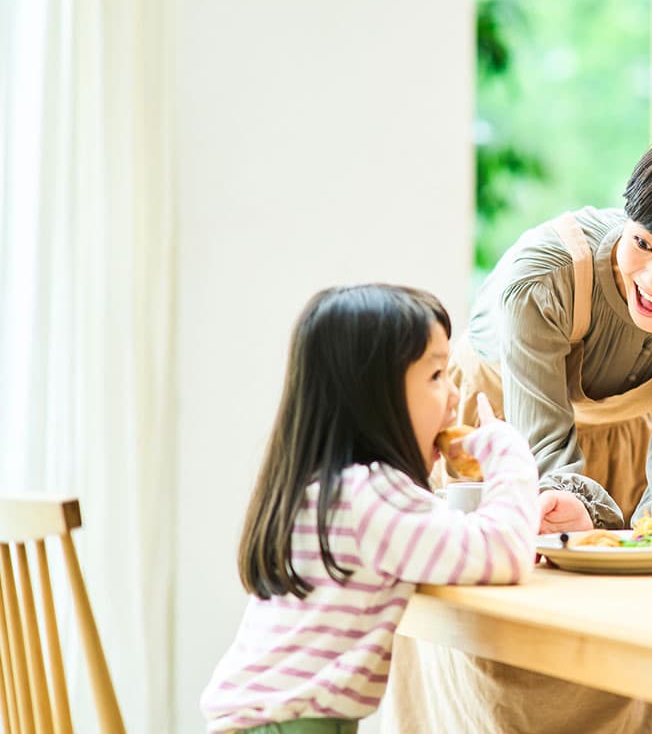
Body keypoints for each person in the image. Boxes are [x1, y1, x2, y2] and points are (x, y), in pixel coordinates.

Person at [386, 126, 652, 733]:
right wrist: (560, 499)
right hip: (494, 444)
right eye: (644, 243)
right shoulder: (543, 274)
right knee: (495, 664)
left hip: (626, 449)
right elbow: (538, 442)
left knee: (616, 656)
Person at [201, 285, 539, 733]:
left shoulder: (322, 489)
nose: (454, 395)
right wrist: (507, 453)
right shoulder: (371, 495)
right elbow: (504, 552)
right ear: (376, 397)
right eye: (437, 375)